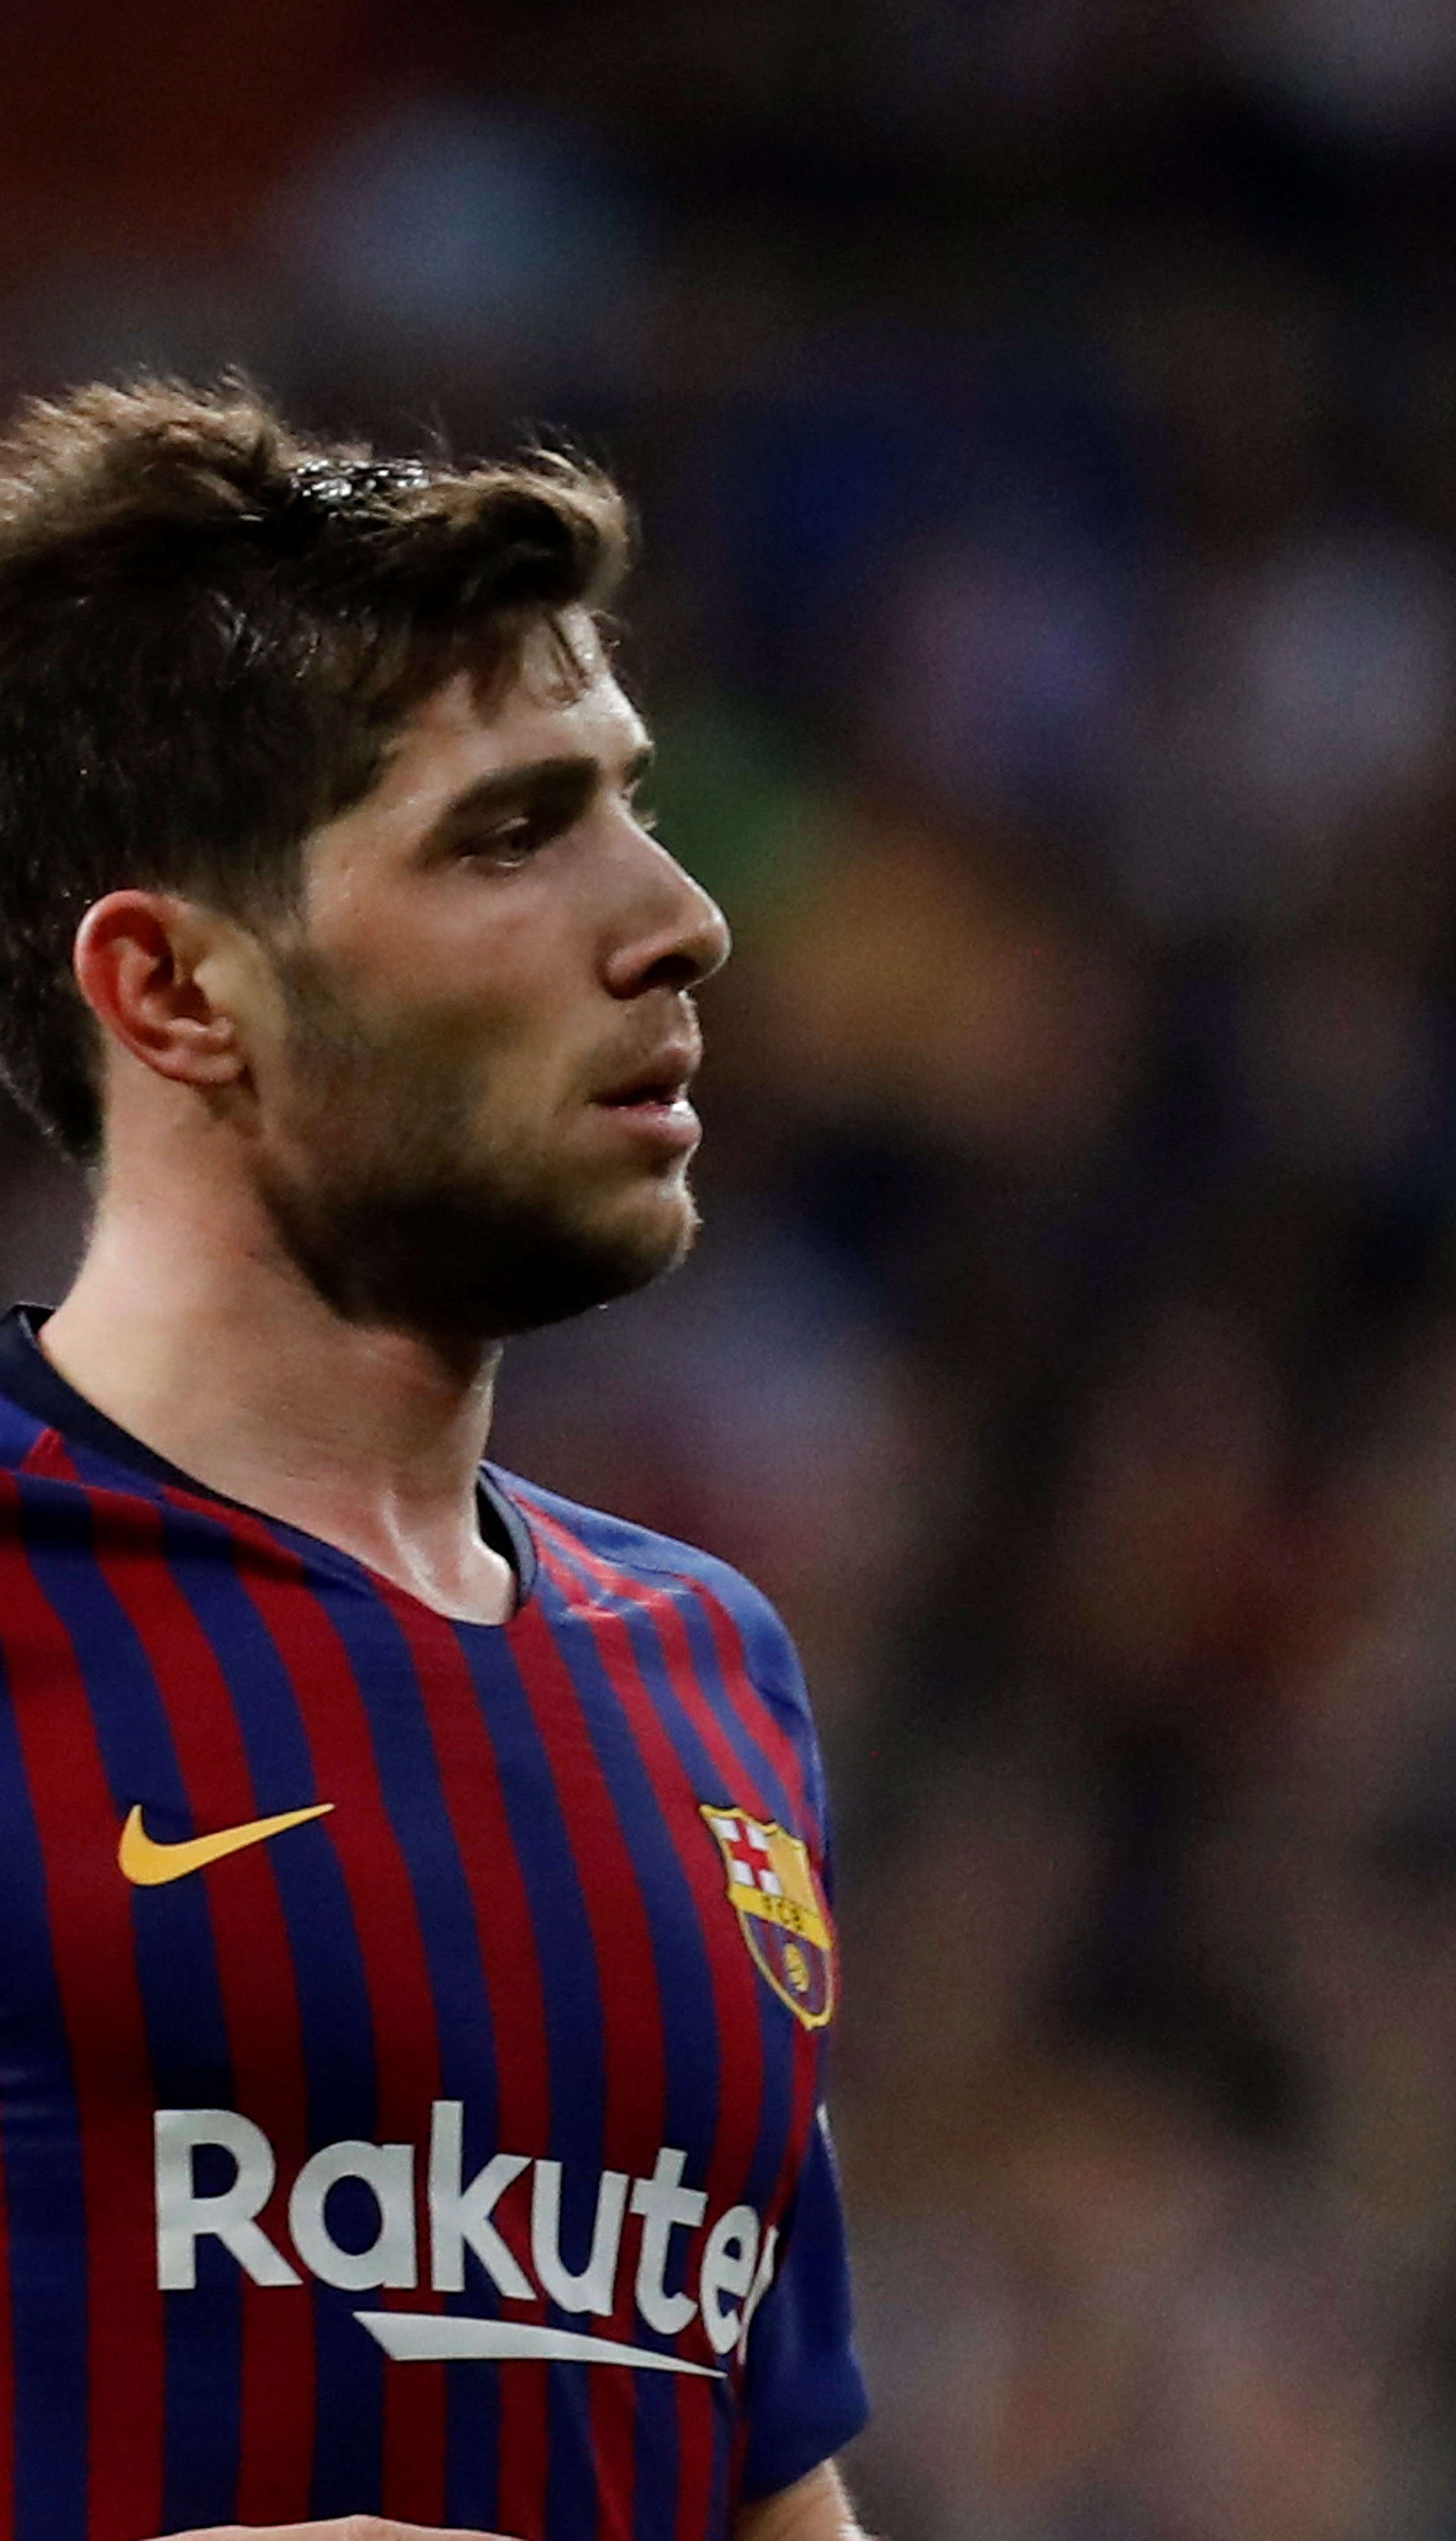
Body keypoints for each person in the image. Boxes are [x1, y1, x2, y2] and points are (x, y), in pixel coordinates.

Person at [0, 381, 868, 2540]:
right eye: (509, 832)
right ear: (178, 989)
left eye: (629, 808)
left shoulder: (709, 1672)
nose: (679, 917)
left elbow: (767, 2489)